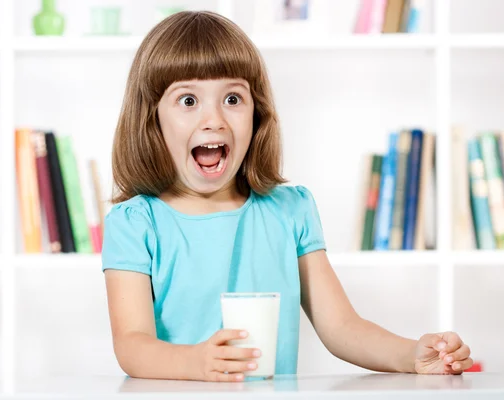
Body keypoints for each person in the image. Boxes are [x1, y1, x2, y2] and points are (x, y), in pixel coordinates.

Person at [101, 10, 473, 382]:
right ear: (152, 119)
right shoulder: (135, 223)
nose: (213, 119)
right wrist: (194, 363)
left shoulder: (290, 210)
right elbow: (132, 345)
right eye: (188, 101)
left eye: (232, 99)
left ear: (258, 114)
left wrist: (411, 355)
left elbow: (342, 327)